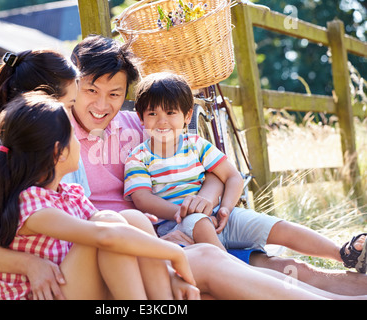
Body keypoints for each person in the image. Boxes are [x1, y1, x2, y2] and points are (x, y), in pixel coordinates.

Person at [70, 34, 367, 298]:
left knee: (288, 266)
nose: (102, 105)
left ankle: (348, 260)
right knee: (247, 268)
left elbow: (211, 170)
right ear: (73, 85)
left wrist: (207, 202)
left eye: (115, 94)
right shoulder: (58, 135)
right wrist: (162, 233)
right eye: (91, 90)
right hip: (151, 239)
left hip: (194, 222)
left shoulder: (138, 123)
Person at [123, 71, 367, 273]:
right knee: (198, 222)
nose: (162, 121)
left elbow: (232, 176)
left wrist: (227, 208)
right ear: (141, 117)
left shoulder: (196, 144)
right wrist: (181, 211)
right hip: (179, 226)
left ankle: (342, 253)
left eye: (170, 113)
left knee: (276, 226)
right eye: (152, 113)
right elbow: (142, 198)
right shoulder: (139, 157)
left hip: (220, 215)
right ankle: (238, 275)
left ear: (187, 116)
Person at [0, 91, 195, 299]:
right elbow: (106, 234)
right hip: (48, 294)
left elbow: (114, 228)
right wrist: (174, 252)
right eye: (73, 135)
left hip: (69, 287)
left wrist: (131, 229)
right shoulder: (31, 204)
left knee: (133, 219)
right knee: (109, 225)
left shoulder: (69, 194)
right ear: (59, 151)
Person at [0, 50, 90, 299]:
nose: (71, 120)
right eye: (68, 107)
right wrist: (29, 264)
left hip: (81, 275)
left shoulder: (65, 148)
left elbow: (89, 222)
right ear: (40, 106)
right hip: (33, 288)